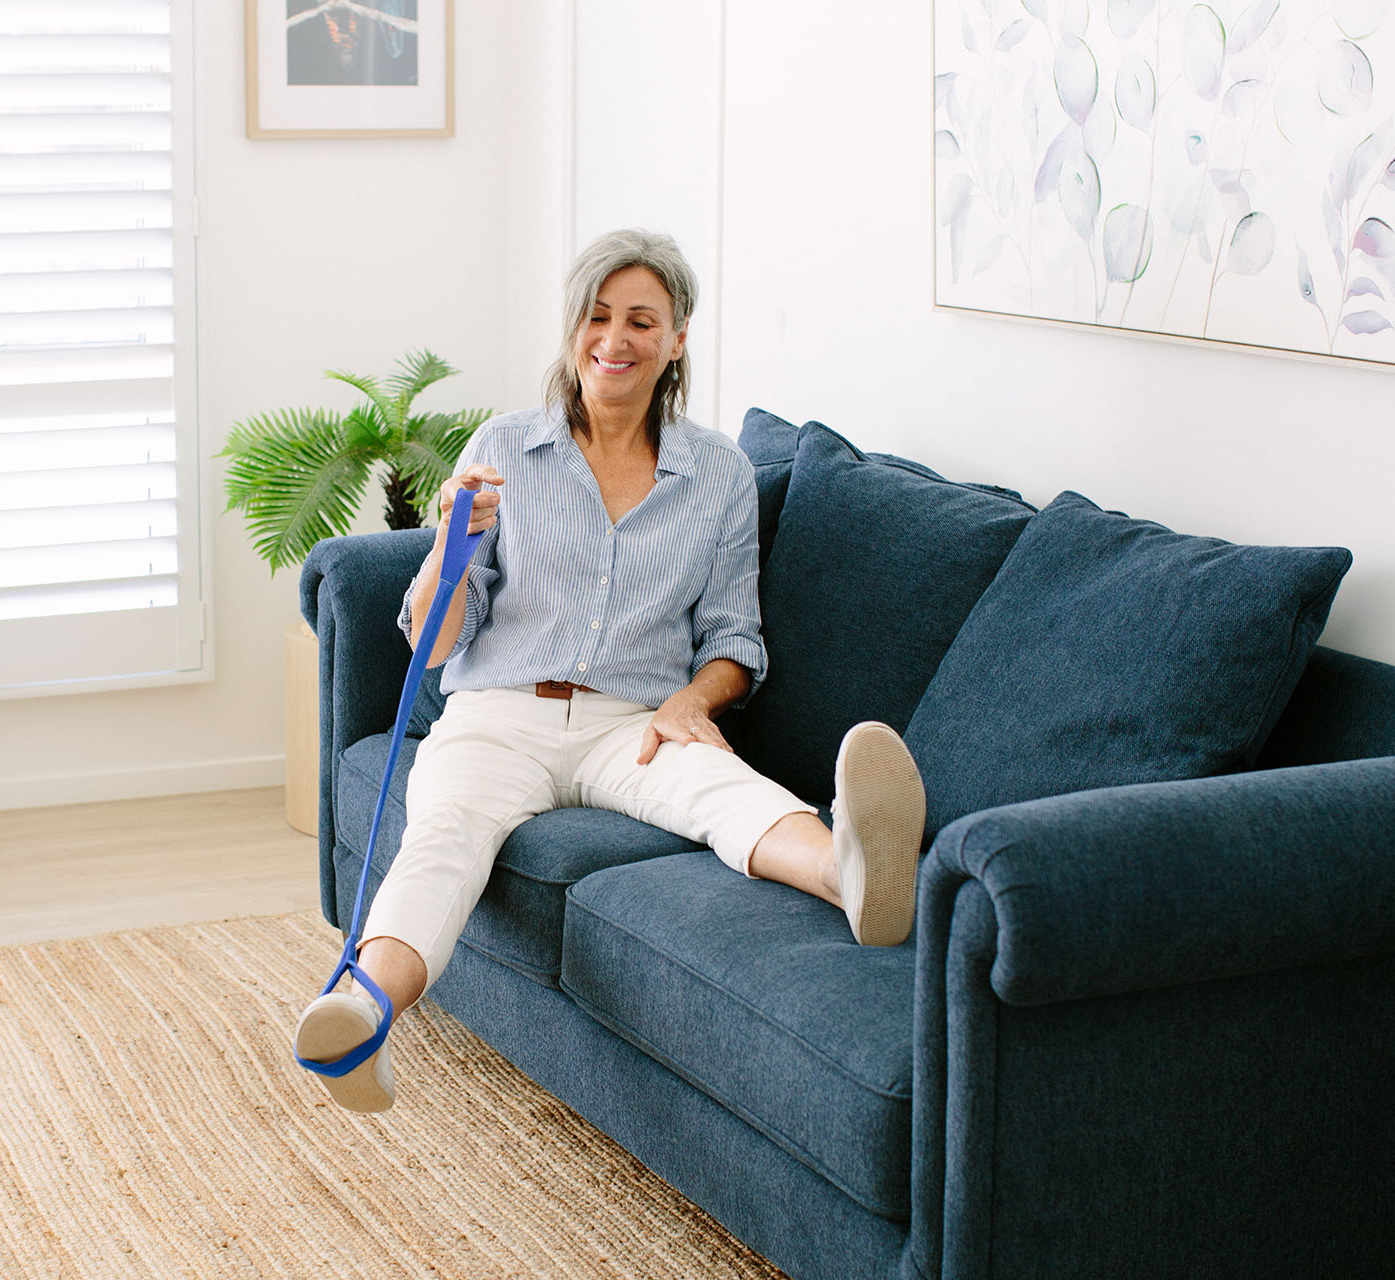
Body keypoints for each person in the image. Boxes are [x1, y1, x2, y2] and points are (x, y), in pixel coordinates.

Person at [293, 229, 926, 1113]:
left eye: (641, 320)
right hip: (497, 712)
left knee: (721, 790)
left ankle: (852, 874)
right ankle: (362, 1016)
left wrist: (693, 701)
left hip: (633, 722)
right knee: (445, 836)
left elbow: (736, 638)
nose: (614, 338)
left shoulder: (719, 475)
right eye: (597, 316)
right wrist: (451, 539)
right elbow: (435, 642)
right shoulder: (507, 446)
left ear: (678, 337)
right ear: (571, 328)